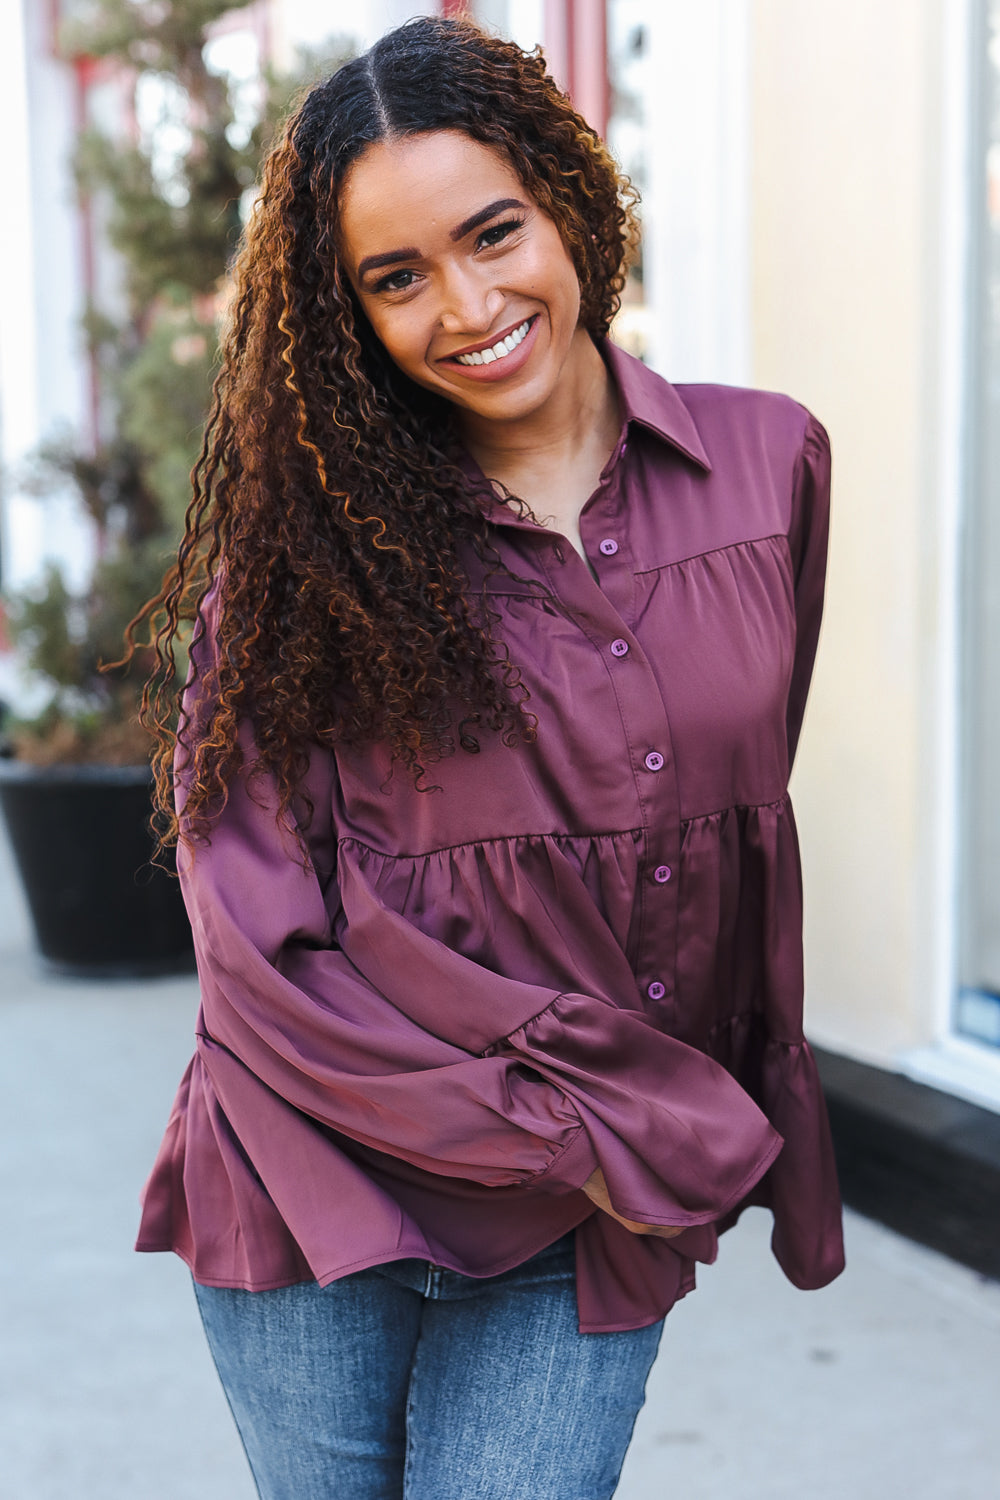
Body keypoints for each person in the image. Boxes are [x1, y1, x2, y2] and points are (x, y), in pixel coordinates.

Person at [135, 15, 845, 1499]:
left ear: (568, 203)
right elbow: (258, 948)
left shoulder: (773, 463)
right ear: (349, 315)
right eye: (395, 279)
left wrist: (636, 1140)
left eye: (491, 232)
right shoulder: (296, 570)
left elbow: (728, 814)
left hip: (588, 1203)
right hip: (319, 1169)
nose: (466, 305)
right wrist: (566, 1134)